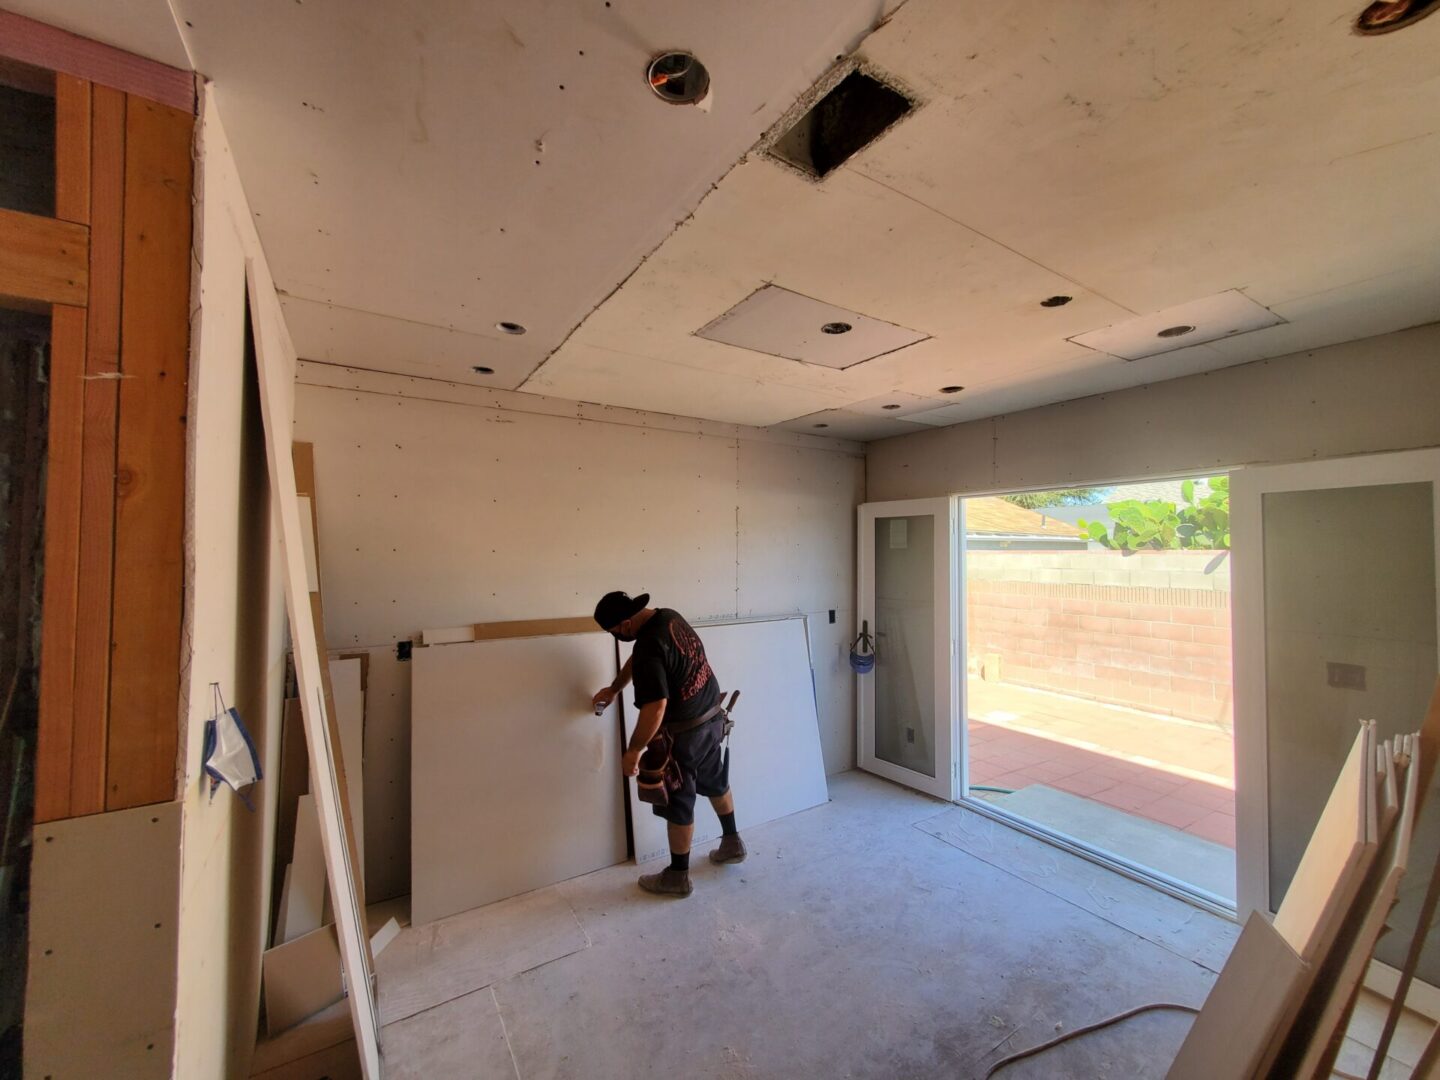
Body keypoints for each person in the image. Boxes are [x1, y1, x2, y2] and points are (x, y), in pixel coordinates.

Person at [591, 591, 745, 897]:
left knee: (678, 803)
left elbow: (656, 707)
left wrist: (634, 750)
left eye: (614, 632)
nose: (618, 637)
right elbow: (640, 658)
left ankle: (677, 877)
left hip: (683, 736)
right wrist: (615, 687)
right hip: (712, 719)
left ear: (624, 624)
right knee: (716, 781)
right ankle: (732, 842)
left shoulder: (649, 646)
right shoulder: (667, 617)